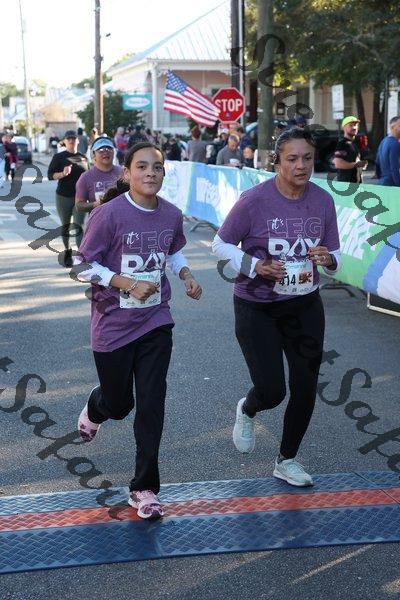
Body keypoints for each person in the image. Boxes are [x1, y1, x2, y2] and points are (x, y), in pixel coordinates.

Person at [74, 142, 202, 520]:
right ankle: (97, 407)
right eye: (142, 167)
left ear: (163, 174)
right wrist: (126, 283)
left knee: (151, 403)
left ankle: (144, 488)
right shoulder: (109, 214)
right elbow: (82, 266)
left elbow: (172, 251)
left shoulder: (171, 214)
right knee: (120, 405)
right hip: (113, 325)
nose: (150, 173)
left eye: (157, 167)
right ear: (127, 173)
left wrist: (186, 274)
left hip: (155, 321)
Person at [212, 127, 341, 487]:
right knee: (272, 390)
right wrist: (257, 266)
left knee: (305, 386)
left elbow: (335, 255)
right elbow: (220, 244)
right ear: (277, 161)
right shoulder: (254, 200)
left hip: (305, 306)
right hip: (258, 306)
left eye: (307, 158)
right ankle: (248, 408)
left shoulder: (322, 201)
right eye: (292, 159)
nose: (301, 165)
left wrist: (328, 259)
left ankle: (287, 460)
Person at [48, 130, 89, 266]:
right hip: (63, 196)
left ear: (78, 141)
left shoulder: (83, 158)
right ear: (64, 141)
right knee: (65, 226)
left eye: (73, 138)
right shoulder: (59, 157)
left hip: (80, 198)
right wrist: (62, 174)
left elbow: (89, 178)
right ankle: (67, 252)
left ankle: (81, 256)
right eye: (69, 139)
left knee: (79, 226)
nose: (71, 141)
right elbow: (50, 175)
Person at [75, 137, 122, 215]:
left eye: (109, 149)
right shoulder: (85, 177)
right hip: (98, 220)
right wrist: (96, 204)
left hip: (122, 219)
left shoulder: (123, 173)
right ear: (93, 155)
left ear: (114, 152)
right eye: (101, 150)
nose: (105, 152)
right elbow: (79, 205)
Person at [333, 116, 367, 183]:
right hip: (346, 185)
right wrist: (356, 164)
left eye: (355, 125)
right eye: (351, 125)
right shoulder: (342, 144)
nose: (354, 127)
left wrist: (361, 165)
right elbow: (338, 163)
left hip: (356, 185)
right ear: (344, 128)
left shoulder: (354, 143)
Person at [375, 115, 400, 186]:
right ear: (392, 127)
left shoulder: (383, 141)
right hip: (392, 184)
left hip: (382, 182)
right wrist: (398, 185)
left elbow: (377, 163)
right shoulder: (395, 144)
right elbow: (394, 168)